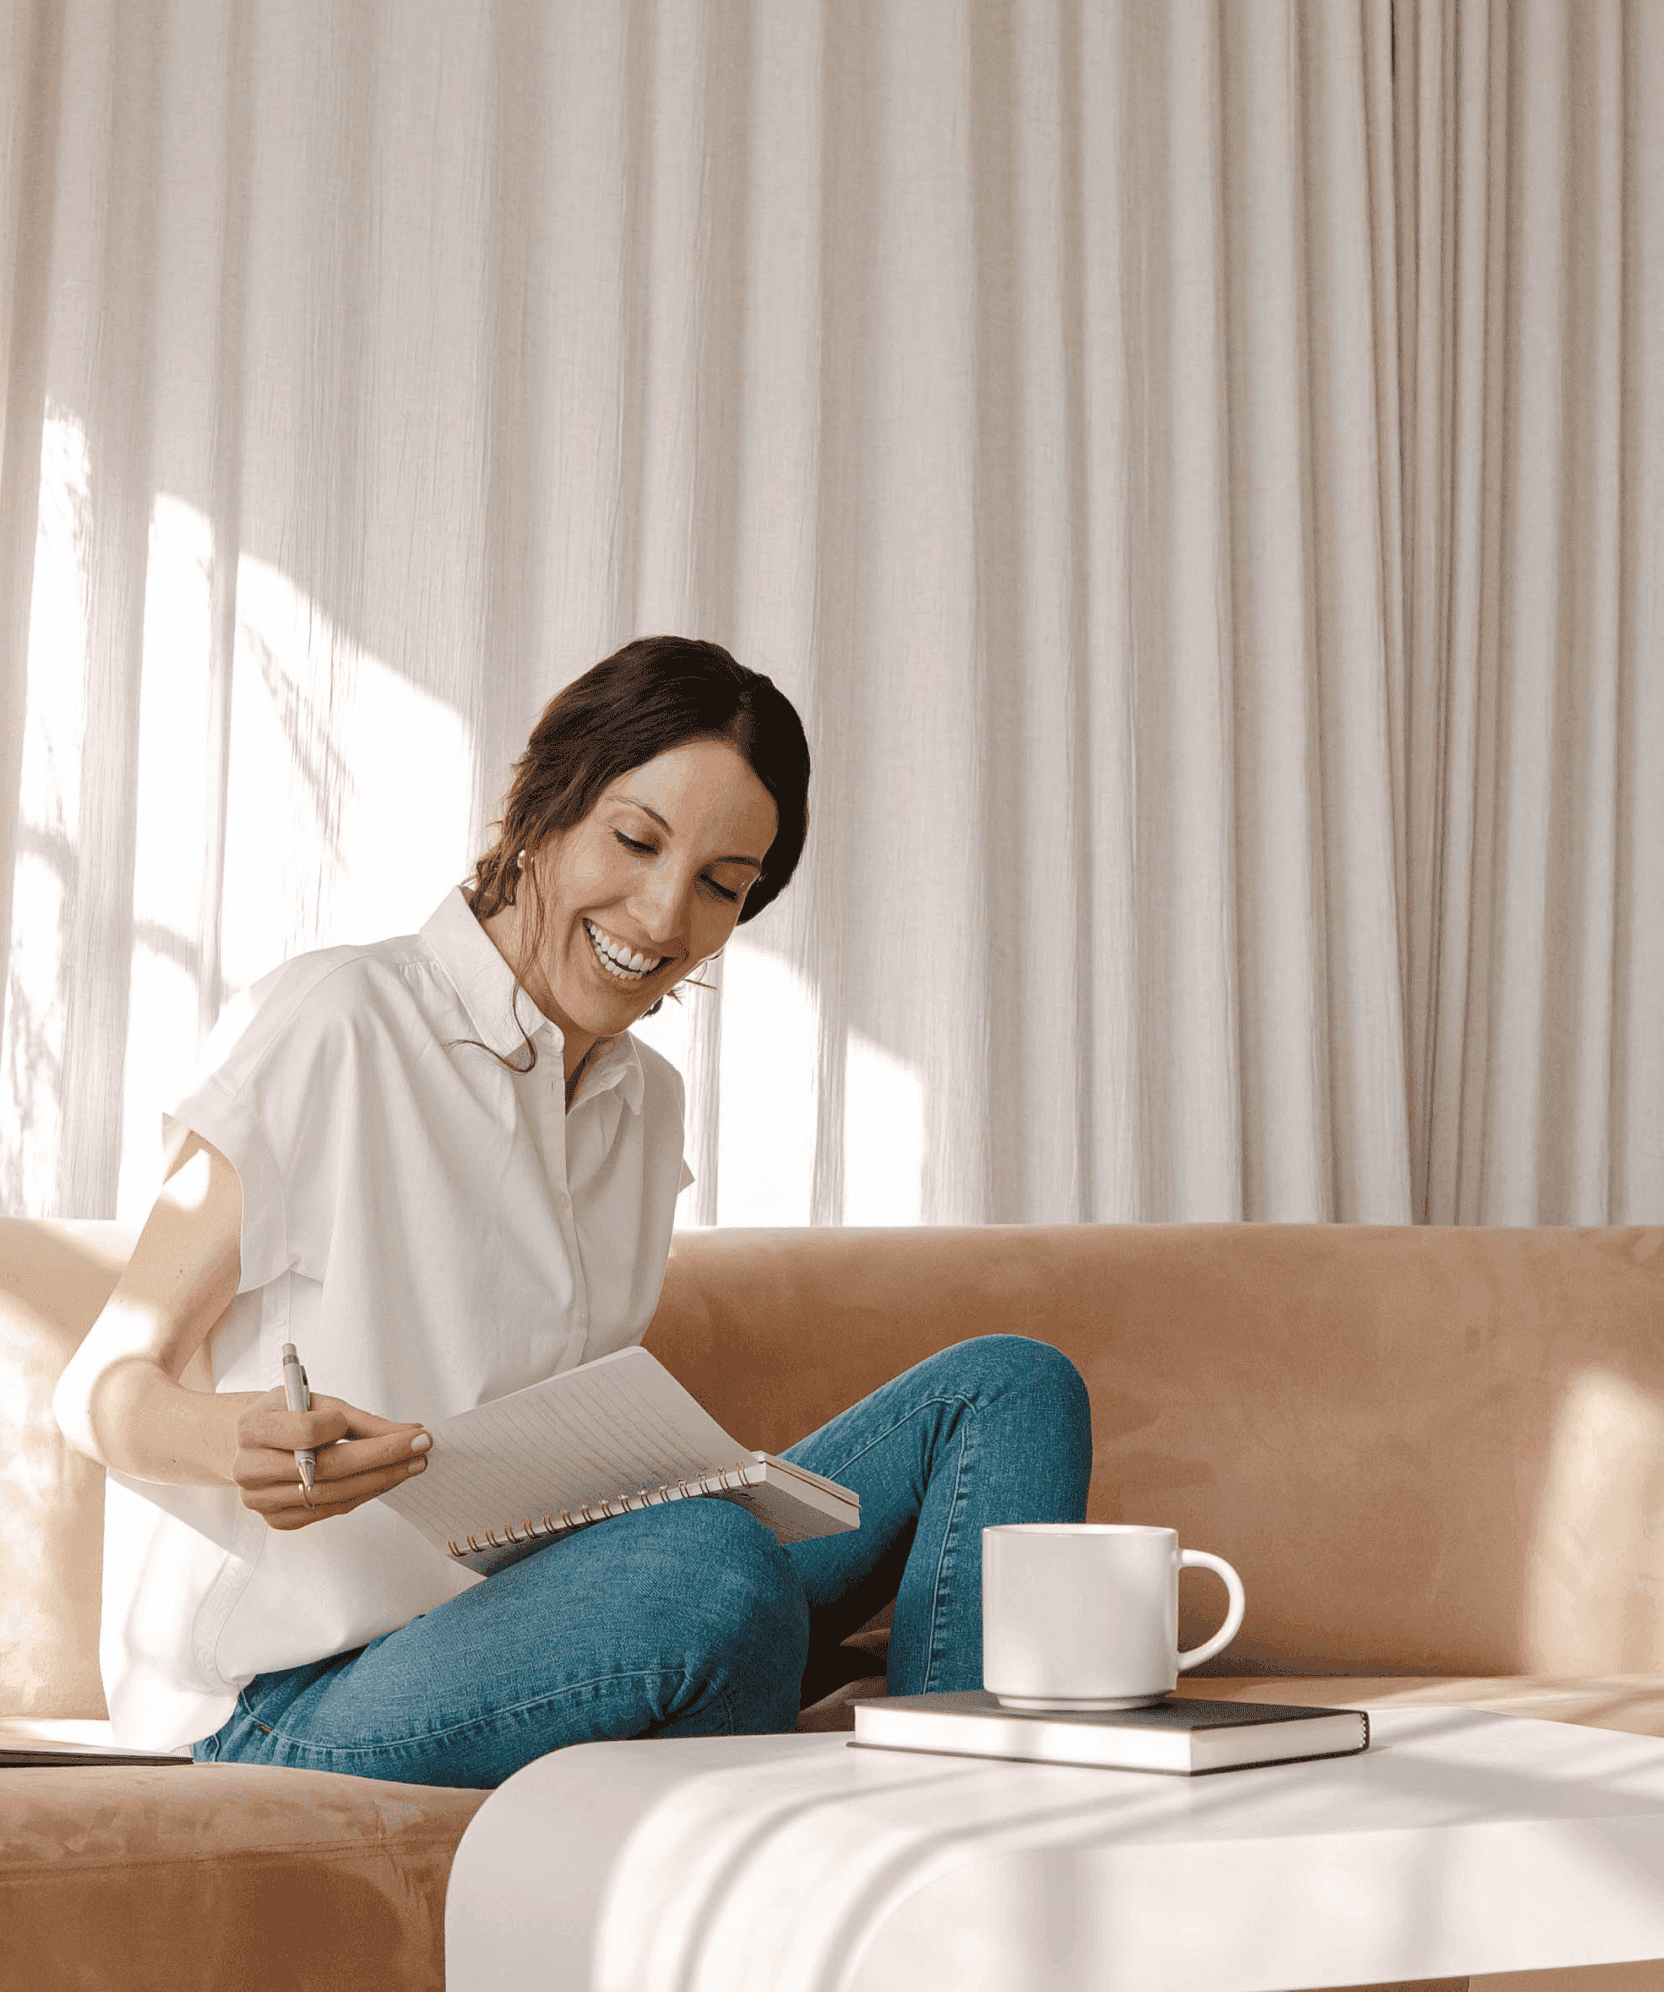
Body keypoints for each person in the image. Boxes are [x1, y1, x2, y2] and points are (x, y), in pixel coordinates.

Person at [54, 635, 1091, 1784]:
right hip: (285, 1694)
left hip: (539, 1615)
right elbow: (100, 1386)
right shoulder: (338, 1022)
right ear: (546, 807)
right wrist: (235, 1441)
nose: (660, 915)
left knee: (1011, 1389)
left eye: (720, 885)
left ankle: (962, 1836)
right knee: (714, 1571)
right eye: (636, 841)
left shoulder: (644, 1104)